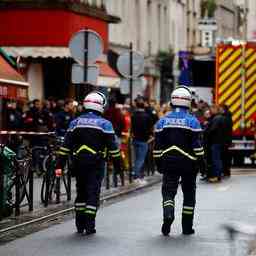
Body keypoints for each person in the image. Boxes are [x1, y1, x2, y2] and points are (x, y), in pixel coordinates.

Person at [56, 91, 122, 235]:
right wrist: (119, 167)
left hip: (78, 164)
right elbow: (113, 149)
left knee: (81, 192)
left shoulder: (74, 122)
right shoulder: (105, 124)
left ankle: (79, 225)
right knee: (93, 193)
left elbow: (65, 147)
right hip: (96, 164)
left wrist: (59, 166)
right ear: (100, 106)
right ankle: (89, 225)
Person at [154, 86, 204, 236]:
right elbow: (198, 147)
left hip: (169, 162)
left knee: (168, 192)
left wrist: (158, 163)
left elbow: (157, 147)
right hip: (189, 164)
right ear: (188, 102)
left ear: (172, 101)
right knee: (189, 194)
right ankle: (187, 228)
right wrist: (202, 164)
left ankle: (168, 214)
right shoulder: (193, 122)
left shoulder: (162, 122)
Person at [132, 96, 154, 184]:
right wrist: (150, 136)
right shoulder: (147, 116)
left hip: (135, 139)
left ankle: (139, 176)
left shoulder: (133, 116)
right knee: (141, 159)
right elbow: (150, 128)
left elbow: (132, 127)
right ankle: (136, 176)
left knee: (137, 158)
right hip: (144, 140)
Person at [207, 105, 226, 182]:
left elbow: (212, 129)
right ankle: (218, 175)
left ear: (215, 109)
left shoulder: (217, 118)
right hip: (219, 141)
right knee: (217, 159)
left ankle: (217, 176)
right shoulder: (220, 117)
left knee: (216, 159)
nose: (210, 110)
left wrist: (207, 132)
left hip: (216, 141)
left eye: (211, 109)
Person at [220, 105, 233, 177]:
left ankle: (226, 171)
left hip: (224, 139)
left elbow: (225, 130)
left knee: (224, 156)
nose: (220, 110)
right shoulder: (228, 117)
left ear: (224, 109)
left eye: (221, 109)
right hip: (227, 139)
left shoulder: (225, 118)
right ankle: (226, 171)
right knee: (226, 156)